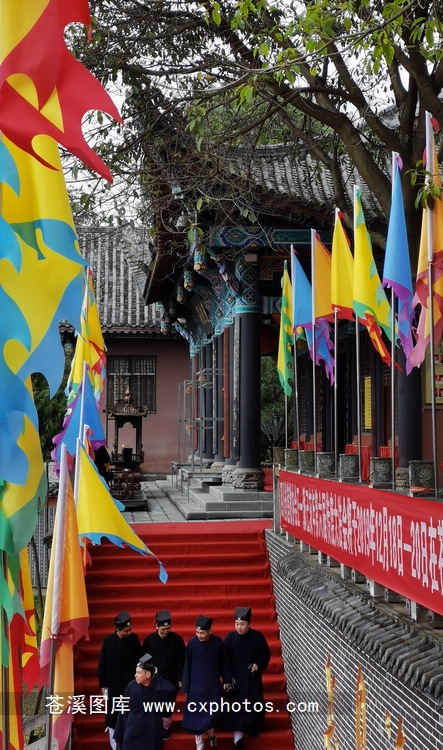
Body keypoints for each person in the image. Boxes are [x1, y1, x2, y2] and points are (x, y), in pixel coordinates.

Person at [182, 615, 231, 750]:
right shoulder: (192, 643)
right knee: (196, 718)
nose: (199, 635)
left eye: (202, 633)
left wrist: (226, 680)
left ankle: (211, 734)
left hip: (212, 686)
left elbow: (224, 664)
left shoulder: (218, 643)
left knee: (211, 714)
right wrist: (186, 686)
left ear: (210, 631)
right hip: (195, 688)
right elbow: (187, 665)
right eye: (197, 632)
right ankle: (200, 745)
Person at [224, 607, 271, 749]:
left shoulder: (258, 637)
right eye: (237, 624)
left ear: (249, 624)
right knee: (235, 708)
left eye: (242, 624)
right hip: (236, 680)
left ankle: (253, 726)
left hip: (252, 678)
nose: (239, 627)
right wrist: (228, 677)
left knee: (254, 705)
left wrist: (258, 664)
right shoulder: (230, 638)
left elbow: (265, 654)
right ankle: (237, 739)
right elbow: (224, 660)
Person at [98, 610, 142, 750]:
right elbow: (102, 664)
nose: (129, 632)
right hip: (114, 687)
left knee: (131, 715)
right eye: (126, 631)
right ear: (118, 629)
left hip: (131, 685)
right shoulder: (108, 642)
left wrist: (150, 666)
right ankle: (115, 745)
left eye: (130, 629)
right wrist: (103, 685)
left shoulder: (134, 639)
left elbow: (142, 656)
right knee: (113, 717)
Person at [114, 652, 176, 750]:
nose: (135, 675)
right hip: (131, 733)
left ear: (148, 674)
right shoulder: (131, 685)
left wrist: (157, 676)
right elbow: (122, 711)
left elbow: (171, 689)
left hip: (150, 735)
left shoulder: (157, 689)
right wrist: (119, 737)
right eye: (136, 672)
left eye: (139, 673)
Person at [142, 609, 186, 740]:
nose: (166, 631)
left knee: (167, 707)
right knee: (154, 706)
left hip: (171, 681)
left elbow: (181, 660)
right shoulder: (149, 640)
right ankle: (155, 727)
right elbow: (144, 659)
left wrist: (180, 678)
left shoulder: (177, 640)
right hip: (154, 680)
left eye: (168, 628)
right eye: (163, 629)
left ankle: (166, 727)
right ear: (156, 627)